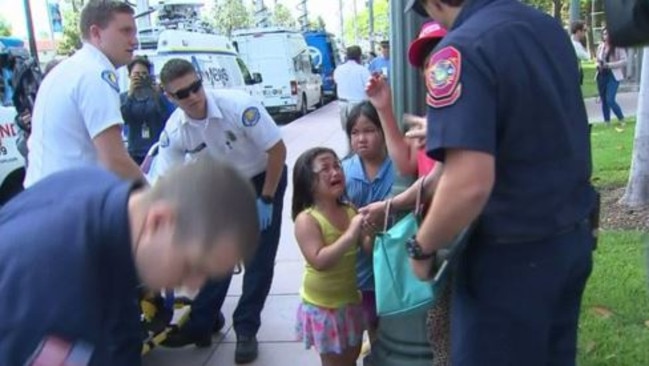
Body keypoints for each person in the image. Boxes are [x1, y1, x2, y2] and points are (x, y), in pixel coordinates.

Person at [401, 1, 599, 365]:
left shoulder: (457, 49)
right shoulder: (546, 28)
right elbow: (537, 118)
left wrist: (422, 247)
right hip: (570, 240)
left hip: (508, 263)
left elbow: (468, 184)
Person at [0, 156, 259, 365]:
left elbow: (120, 339)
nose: (193, 285)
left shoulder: (114, 216)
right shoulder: (49, 277)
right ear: (159, 221)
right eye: (192, 266)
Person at [151, 58, 287, 364]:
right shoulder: (176, 130)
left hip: (265, 177)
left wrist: (266, 198)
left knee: (258, 260)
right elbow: (169, 180)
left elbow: (277, 150)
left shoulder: (237, 106)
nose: (194, 96)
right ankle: (202, 323)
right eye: (183, 94)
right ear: (169, 97)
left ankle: (246, 329)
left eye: (196, 86)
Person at [24, 0, 144, 188]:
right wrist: (154, 196)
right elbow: (115, 160)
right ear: (96, 33)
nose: (134, 40)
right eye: (125, 31)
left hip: (45, 196)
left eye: (134, 32)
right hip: (67, 202)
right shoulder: (97, 73)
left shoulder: (67, 69)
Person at [292, 147, 369, 366]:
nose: (335, 171)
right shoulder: (307, 220)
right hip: (323, 308)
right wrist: (351, 233)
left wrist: (370, 231)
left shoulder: (350, 210)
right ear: (308, 182)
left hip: (349, 300)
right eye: (325, 168)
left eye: (337, 165)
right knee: (334, 362)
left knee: (351, 356)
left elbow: (367, 247)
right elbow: (319, 260)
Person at [340, 101, 395, 356]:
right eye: (354, 132)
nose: (361, 139)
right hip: (353, 274)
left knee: (381, 336)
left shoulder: (399, 169)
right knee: (350, 336)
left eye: (369, 130)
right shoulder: (343, 172)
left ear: (384, 131)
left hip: (388, 273)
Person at [120, 56, 175, 165]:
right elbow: (122, 120)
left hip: (158, 150)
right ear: (129, 76)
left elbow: (169, 117)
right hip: (135, 151)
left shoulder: (158, 96)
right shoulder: (124, 98)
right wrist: (131, 95)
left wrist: (158, 95)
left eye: (144, 74)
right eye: (136, 75)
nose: (141, 78)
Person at [333, 46, 371, 131]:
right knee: (358, 131)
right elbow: (369, 86)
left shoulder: (338, 70)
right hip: (358, 105)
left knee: (347, 132)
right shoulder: (363, 70)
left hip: (343, 105)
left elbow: (336, 81)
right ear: (359, 57)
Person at [596, 27, 627, 126]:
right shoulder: (601, 46)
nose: (606, 36)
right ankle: (607, 121)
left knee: (610, 99)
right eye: (604, 34)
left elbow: (624, 61)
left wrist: (609, 65)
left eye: (608, 33)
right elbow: (597, 60)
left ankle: (621, 118)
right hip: (601, 75)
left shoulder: (618, 46)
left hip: (613, 75)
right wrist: (598, 65)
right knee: (604, 99)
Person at [570, 20, 591, 85]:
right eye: (584, 30)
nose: (585, 32)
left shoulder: (570, 41)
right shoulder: (576, 45)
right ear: (578, 31)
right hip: (574, 74)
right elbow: (587, 57)